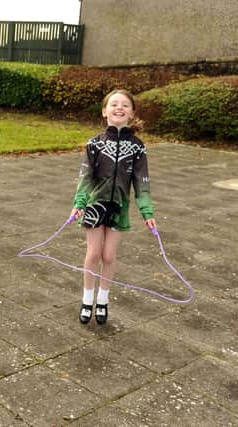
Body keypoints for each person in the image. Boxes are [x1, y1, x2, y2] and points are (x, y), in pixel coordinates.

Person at [69, 89, 156, 325]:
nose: (119, 107)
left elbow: (142, 181)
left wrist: (146, 211)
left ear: (131, 113)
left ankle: (103, 300)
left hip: (119, 207)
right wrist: (79, 203)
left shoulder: (138, 147)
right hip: (95, 205)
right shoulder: (94, 144)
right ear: (104, 111)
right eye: (114, 104)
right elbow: (85, 176)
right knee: (94, 253)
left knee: (109, 256)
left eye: (125, 105)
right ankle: (87, 299)